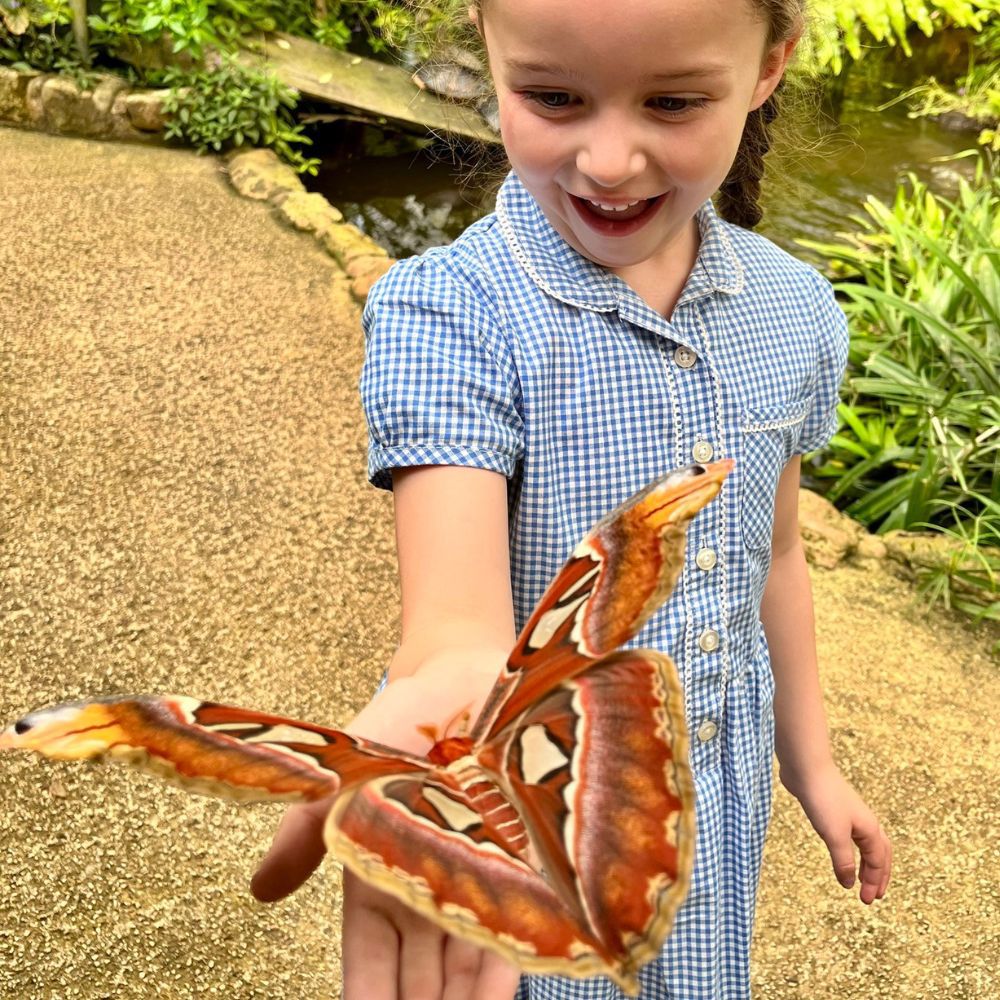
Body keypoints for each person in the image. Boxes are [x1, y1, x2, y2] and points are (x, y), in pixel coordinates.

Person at [250, 0, 893, 996]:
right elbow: (453, 626)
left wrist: (812, 765)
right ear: (485, 54)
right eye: (551, 96)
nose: (605, 161)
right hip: (540, 815)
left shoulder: (796, 309)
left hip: (714, 804)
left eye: (672, 101)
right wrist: (442, 696)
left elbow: (774, 557)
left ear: (770, 64)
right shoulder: (451, 314)